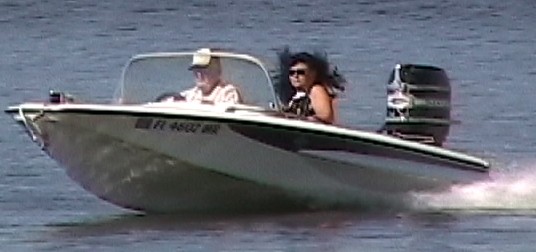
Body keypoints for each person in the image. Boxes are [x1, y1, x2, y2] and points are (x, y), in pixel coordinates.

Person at [160, 48, 242, 104]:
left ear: (217, 70)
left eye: (204, 68)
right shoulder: (191, 94)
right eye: (196, 69)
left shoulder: (228, 93)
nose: (199, 74)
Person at [282, 52, 345, 124]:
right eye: (291, 73)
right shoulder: (296, 96)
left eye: (301, 72)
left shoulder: (316, 90)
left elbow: (325, 117)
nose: (295, 76)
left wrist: (301, 119)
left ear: (313, 74)